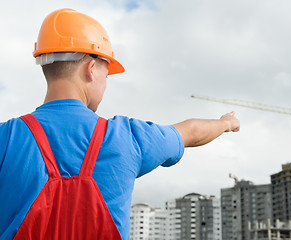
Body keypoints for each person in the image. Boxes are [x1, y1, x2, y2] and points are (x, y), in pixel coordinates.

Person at [0, 8, 240, 240]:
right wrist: (225, 123)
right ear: (91, 69)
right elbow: (191, 132)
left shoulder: (6, 137)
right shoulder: (127, 137)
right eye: (107, 73)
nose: (106, 83)